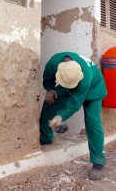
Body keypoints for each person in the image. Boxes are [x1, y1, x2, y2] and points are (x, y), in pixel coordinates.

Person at [39, 52, 107, 180]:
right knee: (48, 106)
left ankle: (98, 161)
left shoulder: (85, 77)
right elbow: (47, 77)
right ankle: (46, 137)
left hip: (94, 89)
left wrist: (60, 116)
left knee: (93, 121)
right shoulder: (54, 62)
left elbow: (74, 104)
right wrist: (49, 90)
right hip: (69, 85)